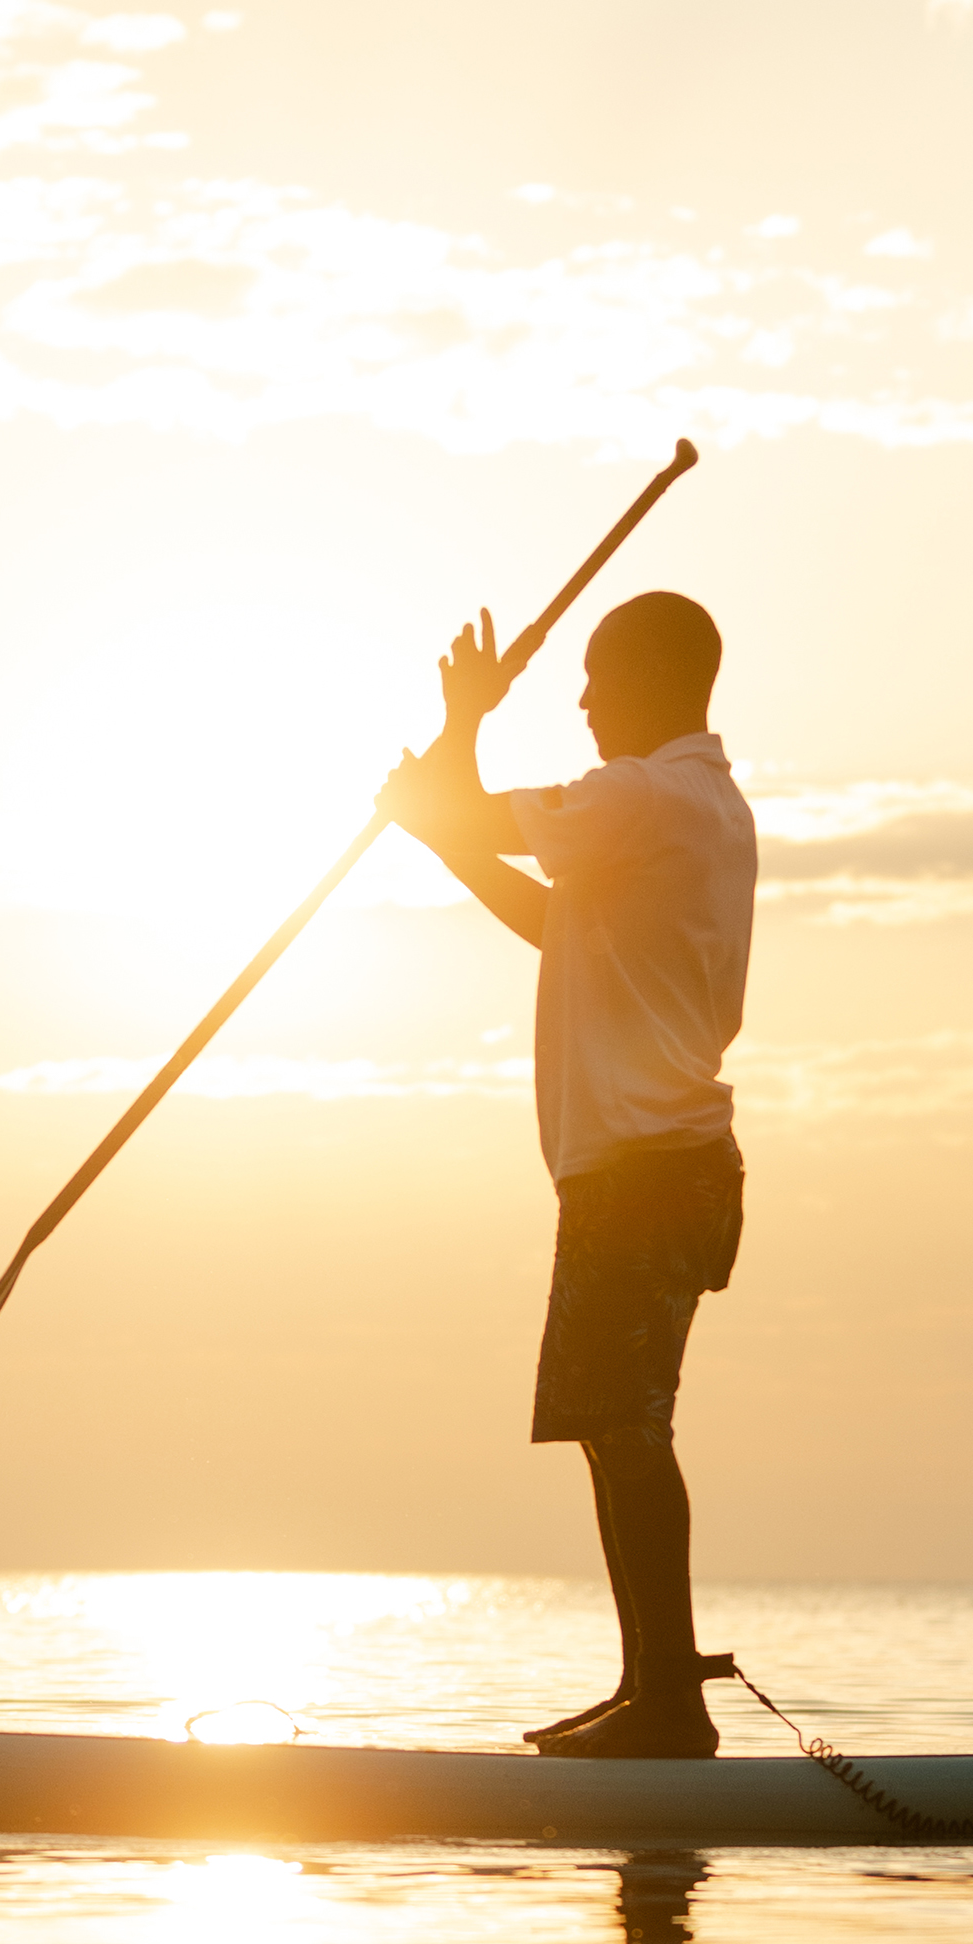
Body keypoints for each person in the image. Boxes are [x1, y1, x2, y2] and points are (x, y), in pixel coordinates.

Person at [381, 586, 756, 1759]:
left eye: (596, 678)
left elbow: (471, 809)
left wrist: (464, 723)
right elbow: (555, 925)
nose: (582, 700)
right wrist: (434, 824)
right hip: (643, 1168)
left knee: (631, 1426)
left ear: (649, 679)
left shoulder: (645, 794)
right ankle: (651, 1684)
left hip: (651, 1169)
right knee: (611, 1423)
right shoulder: (688, 807)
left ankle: (671, 1706)